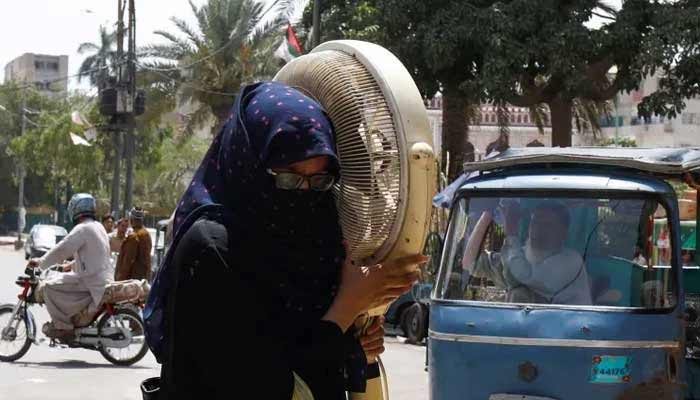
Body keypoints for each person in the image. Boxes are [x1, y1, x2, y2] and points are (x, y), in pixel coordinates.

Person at [143, 82, 425, 400]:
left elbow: (302, 341)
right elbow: (266, 385)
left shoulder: (312, 246)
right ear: (248, 165)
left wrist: (355, 344)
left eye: (318, 180)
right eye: (288, 178)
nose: (302, 195)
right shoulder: (212, 250)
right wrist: (347, 307)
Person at [466, 200, 592, 305]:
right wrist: (487, 214)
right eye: (535, 222)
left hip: (571, 330)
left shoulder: (571, 261)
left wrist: (511, 232)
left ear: (563, 233)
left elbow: (522, 277)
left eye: (547, 225)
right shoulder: (520, 254)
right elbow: (470, 264)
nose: (539, 229)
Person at [26, 193, 113, 341]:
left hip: (90, 282)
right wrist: (70, 266)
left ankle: (63, 327)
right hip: (99, 277)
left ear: (76, 209)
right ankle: (72, 319)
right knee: (54, 277)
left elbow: (62, 249)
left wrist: (41, 262)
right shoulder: (97, 226)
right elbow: (93, 255)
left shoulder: (82, 229)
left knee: (48, 287)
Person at [115, 207, 152, 281]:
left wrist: (119, 280)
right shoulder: (147, 235)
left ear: (131, 219)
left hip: (132, 282)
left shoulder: (133, 237)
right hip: (143, 279)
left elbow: (128, 262)